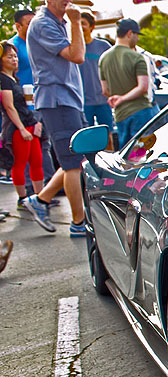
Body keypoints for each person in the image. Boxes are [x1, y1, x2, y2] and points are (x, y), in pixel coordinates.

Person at [22, 0, 87, 236]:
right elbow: (77, 55)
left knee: (77, 158)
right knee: (72, 163)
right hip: (57, 100)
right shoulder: (43, 24)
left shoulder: (57, 23)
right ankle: (78, 223)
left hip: (66, 99)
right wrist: (77, 21)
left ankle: (41, 200)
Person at [9, 8, 56, 204]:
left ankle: (45, 189)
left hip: (41, 100)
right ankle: (29, 193)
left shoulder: (36, 42)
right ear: (18, 26)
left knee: (43, 146)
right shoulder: (12, 47)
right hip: (23, 106)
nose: (32, 28)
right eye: (28, 24)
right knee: (25, 152)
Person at [99, 19, 159, 147]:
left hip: (120, 115)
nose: (137, 39)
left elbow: (104, 90)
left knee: (127, 156)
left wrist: (117, 98)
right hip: (141, 112)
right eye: (137, 35)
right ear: (130, 33)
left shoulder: (103, 58)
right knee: (144, 153)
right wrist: (123, 98)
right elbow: (143, 87)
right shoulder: (137, 57)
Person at [1, 42, 45, 202]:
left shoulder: (14, 79)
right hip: (17, 127)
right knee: (20, 163)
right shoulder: (3, 80)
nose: (14, 59)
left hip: (29, 123)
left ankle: (40, 198)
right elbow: (9, 107)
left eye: (15, 56)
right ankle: (22, 198)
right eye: (9, 56)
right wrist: (21, 128)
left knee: (37, 161)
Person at [78, 12, 114, 133]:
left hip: (103, 100)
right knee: (88, 136)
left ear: (91, 26)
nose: (80, 26)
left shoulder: (104, 46)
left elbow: (114, 69)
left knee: (107, 134)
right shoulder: (73, 48)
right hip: (83, 102)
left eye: (83, 23)